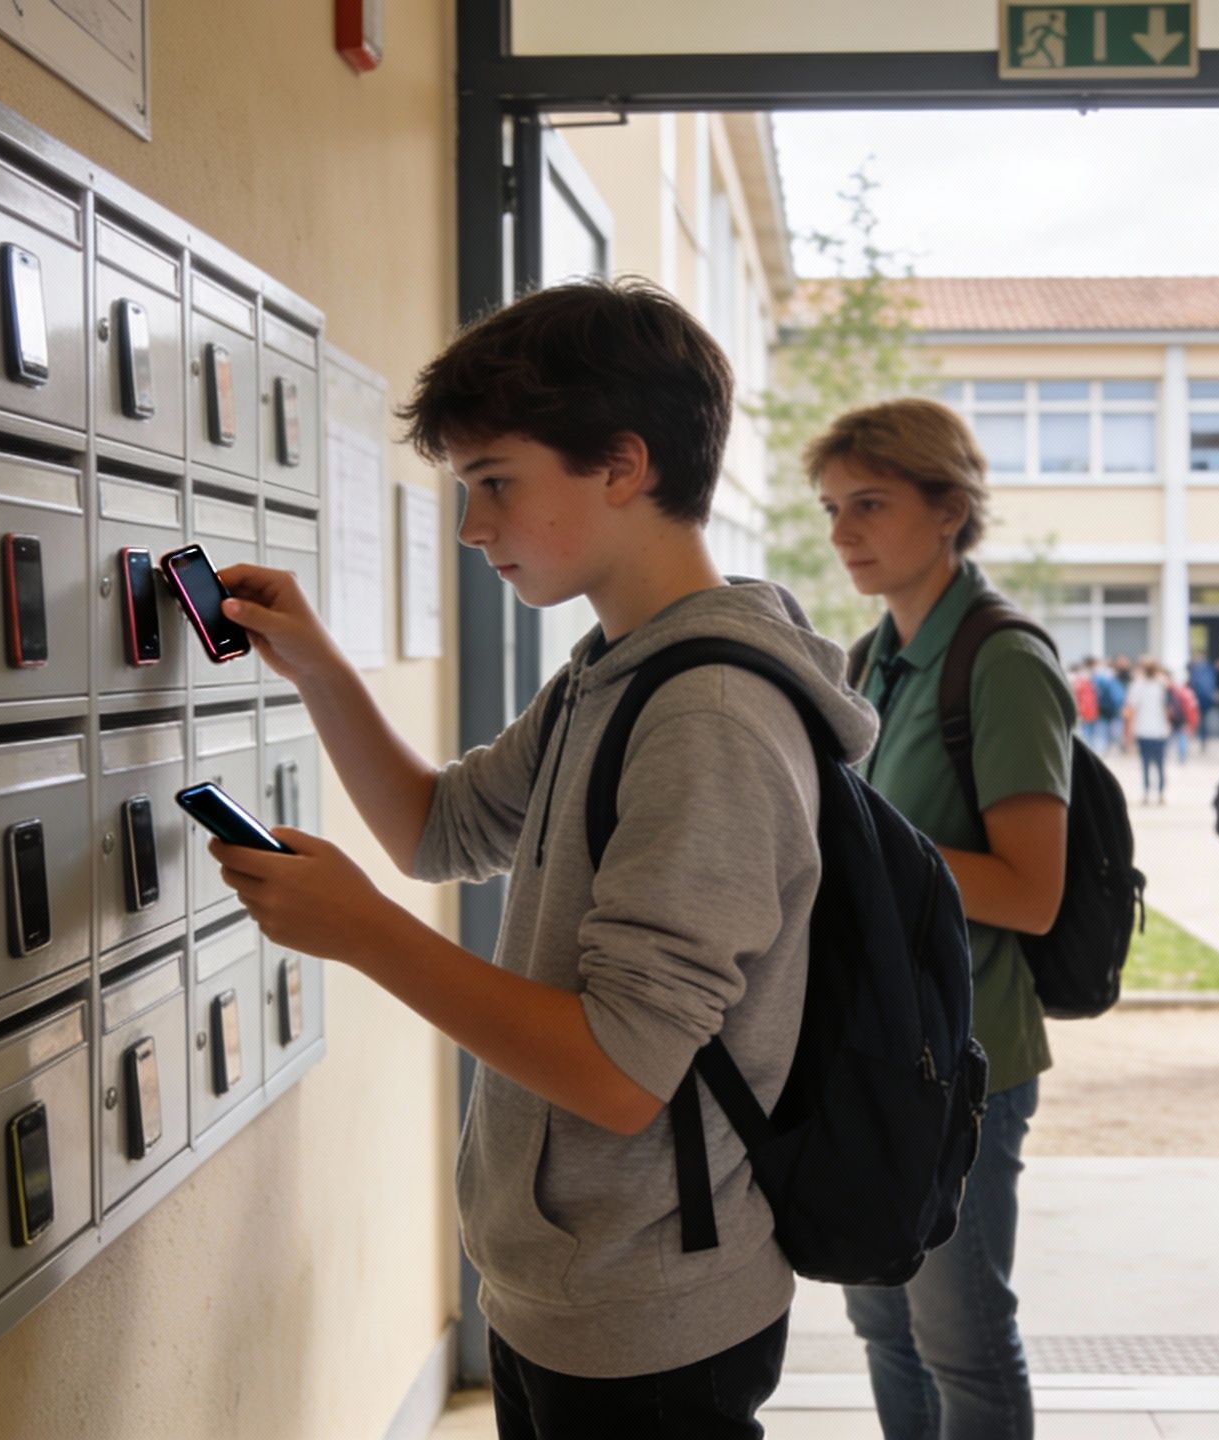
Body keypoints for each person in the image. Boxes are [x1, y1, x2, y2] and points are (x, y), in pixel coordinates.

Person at [205, 279, 877, 1438]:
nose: (473, 529)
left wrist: (362, 933)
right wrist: (318, 668)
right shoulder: (613, 668)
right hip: (566, 1285)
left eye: (494, 484)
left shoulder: (705, 713)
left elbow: (621, 1072)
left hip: (651, 1309)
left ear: (622, 464)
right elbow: (441, 828)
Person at [810, 397, 1074, 1440]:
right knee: (883, 1329)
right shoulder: (871, 659)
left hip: (963, 1062)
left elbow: (1030, 890)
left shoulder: (1000, 660)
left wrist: (868, 862)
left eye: (868, 504)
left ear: (951, 508)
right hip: (868, 1050)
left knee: (961, 1338)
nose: (842, 533)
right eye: (832, 507)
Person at [1124, 660, 1172, 804]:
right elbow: (1168, 708)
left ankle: (1146, 793)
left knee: (1145, 763)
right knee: (1160, 763)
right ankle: (1161, 793)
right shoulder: (1163, 686)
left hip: (1142, 730)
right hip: (1160, 730)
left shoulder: (1136, 686)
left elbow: (1131, 710)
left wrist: (1129, 732)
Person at [1072, 656, 1104, 751]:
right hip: (1089, 710)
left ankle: (1088, 750)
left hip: (1085, 710)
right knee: (1089, 733)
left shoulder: (1081, 679)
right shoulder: (1092, 678)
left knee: (1087, 732)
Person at [1095, 661, 1128, 753]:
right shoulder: (1114, 681)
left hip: (1102, 709)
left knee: (1102, 733)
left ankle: (1101, 750)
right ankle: (1114, 749)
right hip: (1114, 711)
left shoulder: (1098, 678)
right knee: (1115, 732)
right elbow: (1118, 698)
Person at [1188, 651, 1219, 741]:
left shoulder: (1197, 669)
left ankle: (1202, 735)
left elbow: (1194, 683)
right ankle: (1203, 736)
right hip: (1205, 696)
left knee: (1202, 717)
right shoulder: (1209, 668)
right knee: (1203, 718)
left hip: (1201, 696)